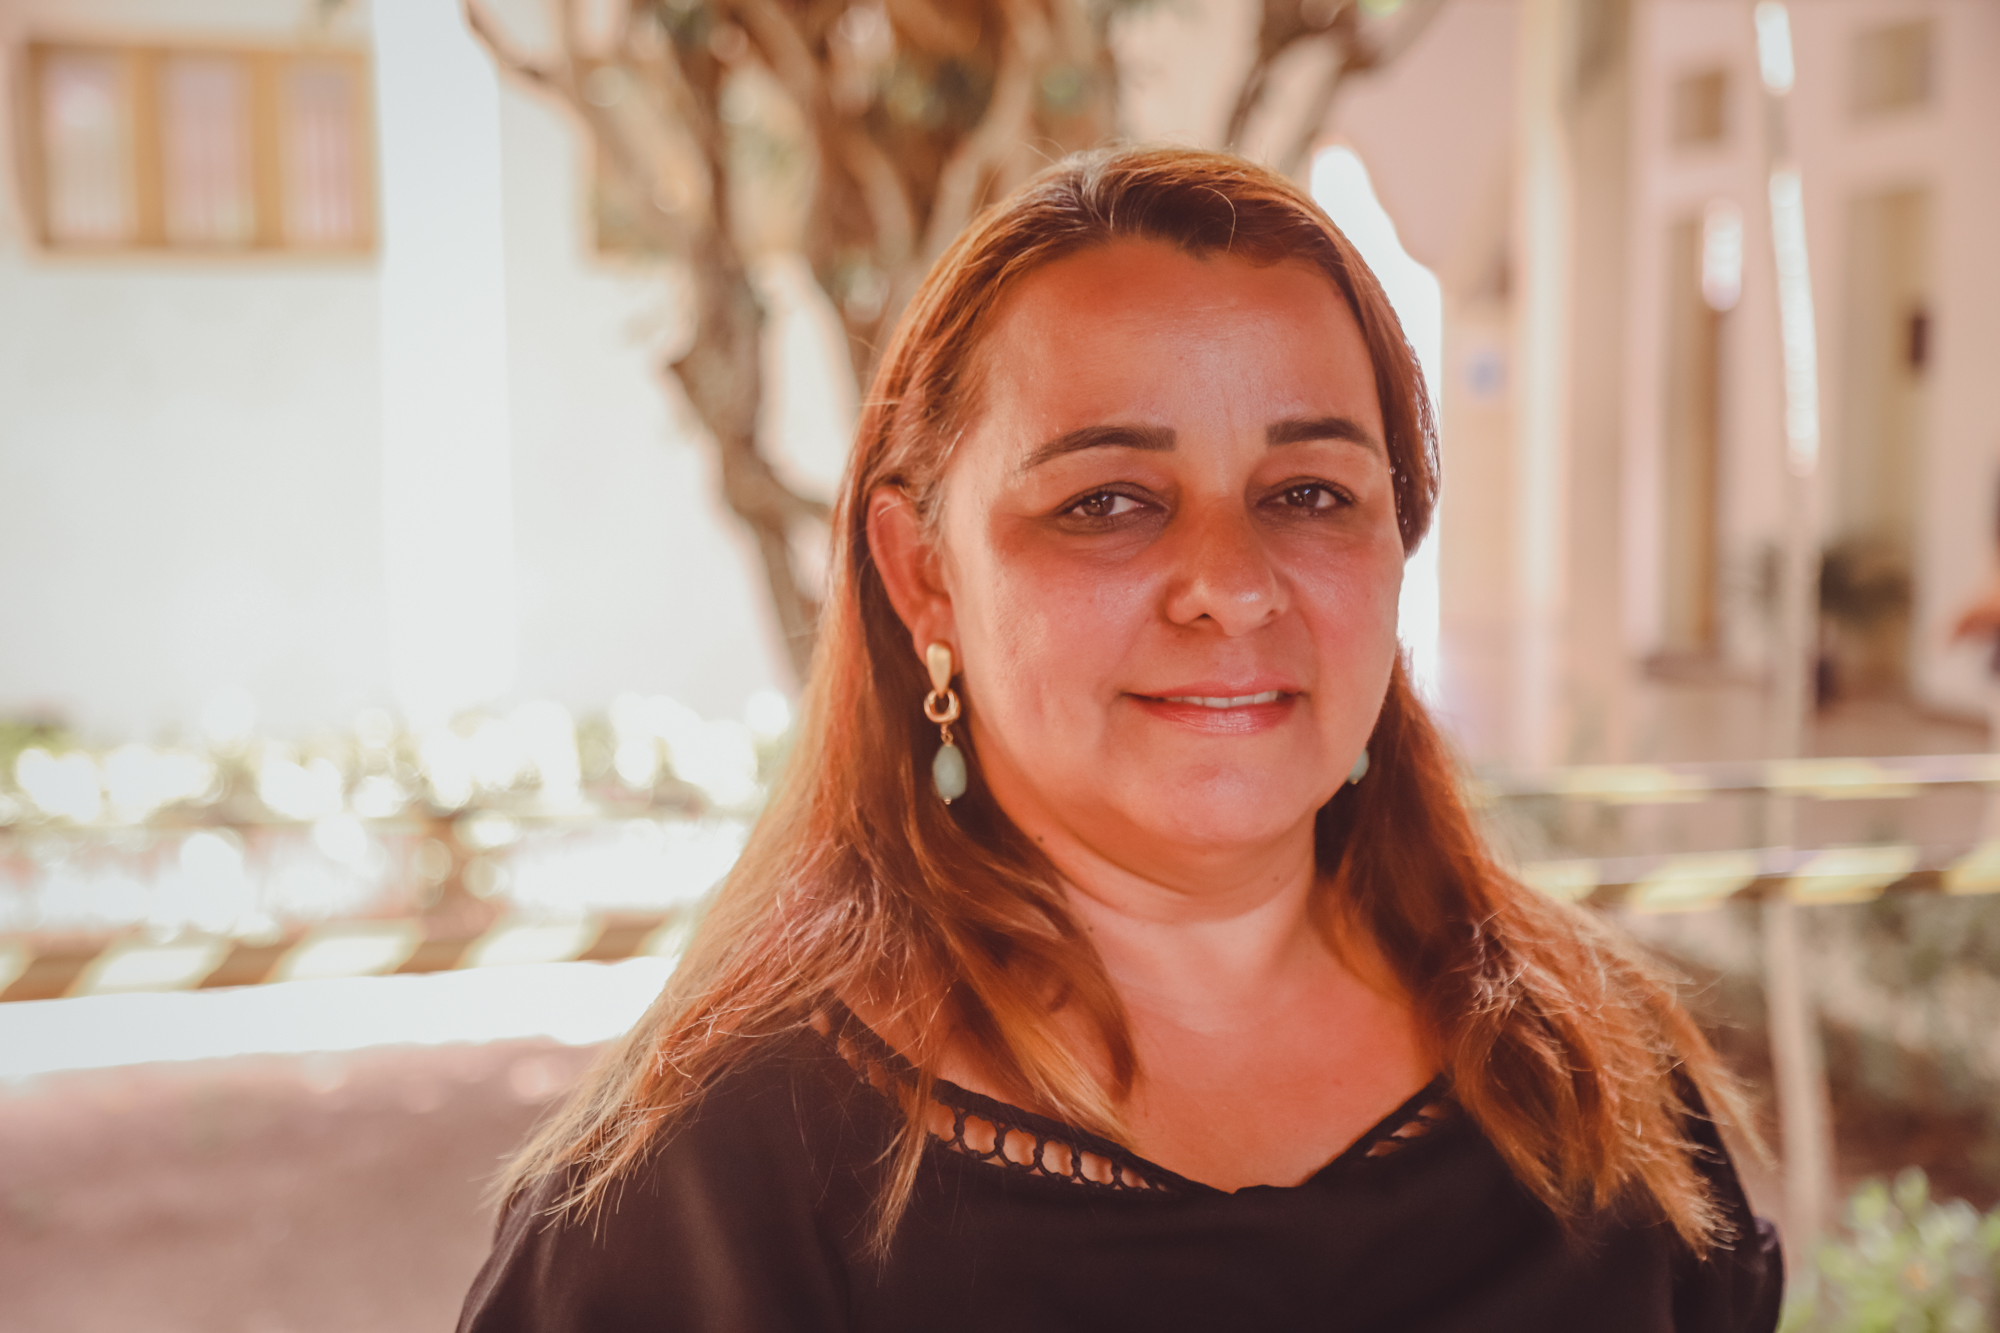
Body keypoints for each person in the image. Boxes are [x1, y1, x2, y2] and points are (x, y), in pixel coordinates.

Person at [458, 147, 1782, 1332]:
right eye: (1107, 502)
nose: (1234, 585)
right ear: (924, 575)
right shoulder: (706, 1192)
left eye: (1309, 492)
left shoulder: (1596, 1082)